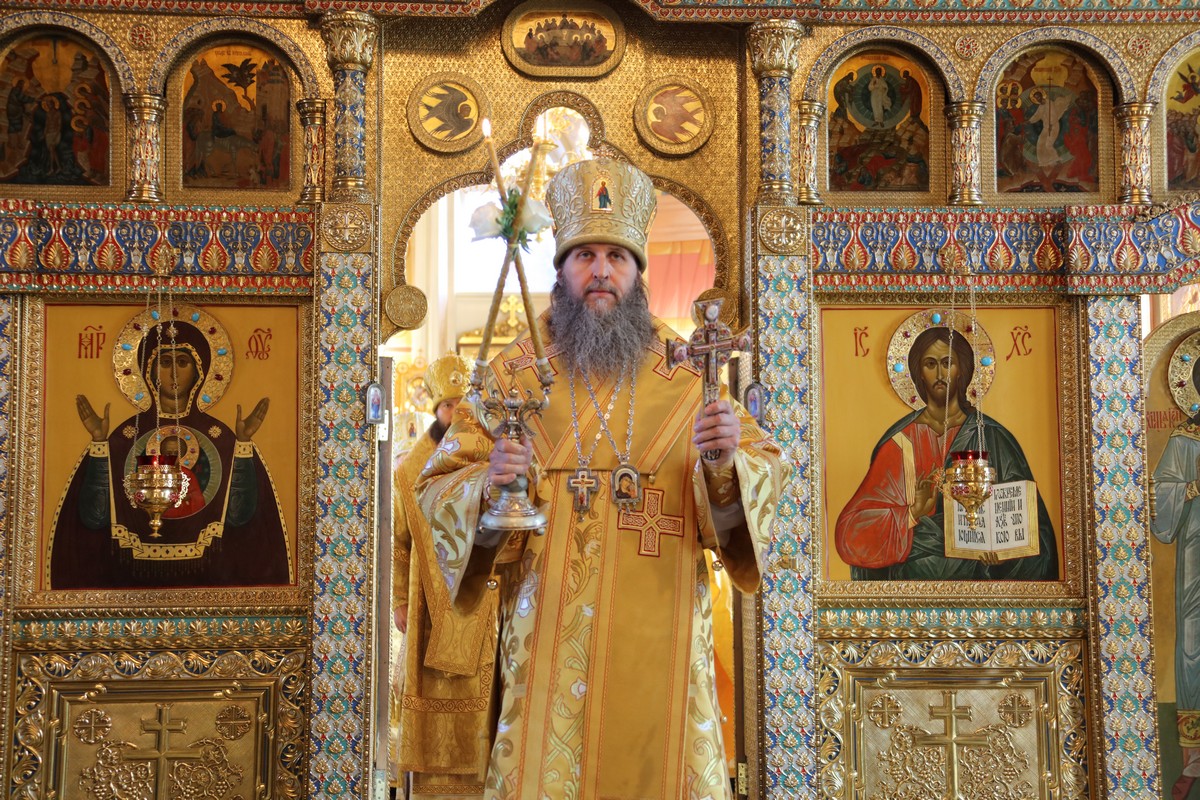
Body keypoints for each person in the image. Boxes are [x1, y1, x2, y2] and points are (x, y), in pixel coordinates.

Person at [415, 157, 789, 798]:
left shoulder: (689, 376)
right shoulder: (512, 377)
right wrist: (490, 484)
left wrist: (725, 465)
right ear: (560, 270)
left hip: (662, 640)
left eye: (616, 257)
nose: (600, 271)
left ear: (638, 273)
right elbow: (435, 486)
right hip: (546, 643)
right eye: (584, 255)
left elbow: (755, 497)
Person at [49, 309, 291, 588]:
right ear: (149, 370)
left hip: (210, 570)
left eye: (182, 362)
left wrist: (243, 445)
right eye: (165, 362)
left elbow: (239, 516)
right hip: (128, 571)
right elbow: (95, 516)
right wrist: (100, 444)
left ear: (199, 371)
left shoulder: (219, 435)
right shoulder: (126, 435)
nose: (173, 372)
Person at [834, 326, 1057, 581]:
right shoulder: (900, 443)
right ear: (918, 372)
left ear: (961, 369)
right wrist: (912, 513)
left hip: (980, 588)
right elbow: (850, 533)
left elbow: (1032, 528)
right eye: (930, 364)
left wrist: (1006, 549)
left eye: (947, 363)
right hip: (911, 591)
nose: (940, 374)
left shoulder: (993, 437)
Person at [392, 352, 497, 798]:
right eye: (448, 406)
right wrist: (400, 598)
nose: (455, 414)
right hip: (426, 597)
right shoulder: (410, 469)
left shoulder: (489, 455)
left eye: (461, 404)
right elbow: (400, 542)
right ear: (436, 409)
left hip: (482, 595)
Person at [1149, 357, 1200, 800]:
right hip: (1196, 556)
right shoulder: (1185, 439)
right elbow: (1160, 494)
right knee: (1193, 644)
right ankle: (1192, 761)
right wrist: (1192, 487)